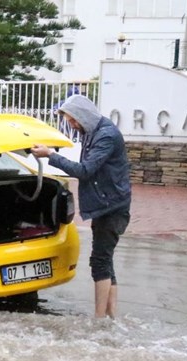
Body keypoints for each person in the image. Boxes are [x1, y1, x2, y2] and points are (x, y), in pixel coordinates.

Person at [31, 94, 132, 319]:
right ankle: (111, 316)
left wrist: (51, 155)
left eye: (73, 120)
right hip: (107, 205)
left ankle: (98, 320)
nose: (73, 125)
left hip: (112, 207)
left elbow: (84, 170)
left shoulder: (106, 135)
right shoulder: (92, 131)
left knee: (99, 261)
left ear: (84, 116)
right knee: (105, 259)